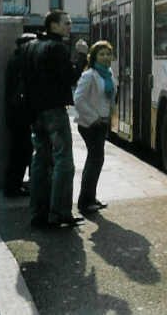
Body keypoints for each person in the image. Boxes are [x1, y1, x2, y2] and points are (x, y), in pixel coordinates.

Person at [25, 10, 87, 228]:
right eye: (66, 23)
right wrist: (81, 56)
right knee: (64, 161)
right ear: (53, 25)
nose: (70, 26)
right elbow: (70, 77)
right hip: (54, 111)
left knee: (40, 160)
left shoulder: (31, 46)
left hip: (36, 111)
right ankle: (60, 212)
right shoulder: (58, 48)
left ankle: (37, 213)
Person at [73, 40, 116, 214]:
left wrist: (110, 118)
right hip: (90, 124)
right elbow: (78, 99)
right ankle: (85, 201)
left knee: (96, 160)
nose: (106, 57)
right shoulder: (89, 75)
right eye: (102, 54)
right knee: (95, 160)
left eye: (108, 54)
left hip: (102, 122)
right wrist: (94, 117)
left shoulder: (108, 74)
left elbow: (110, 98)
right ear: (93, 57)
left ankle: (90, 198)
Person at [2, 33, 37, 197]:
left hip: (16, 115)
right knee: (21, 152)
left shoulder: (15, 59)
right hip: (21, 116)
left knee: (20, 151)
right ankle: (14, 187)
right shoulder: (22, 62)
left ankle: (14, 186)